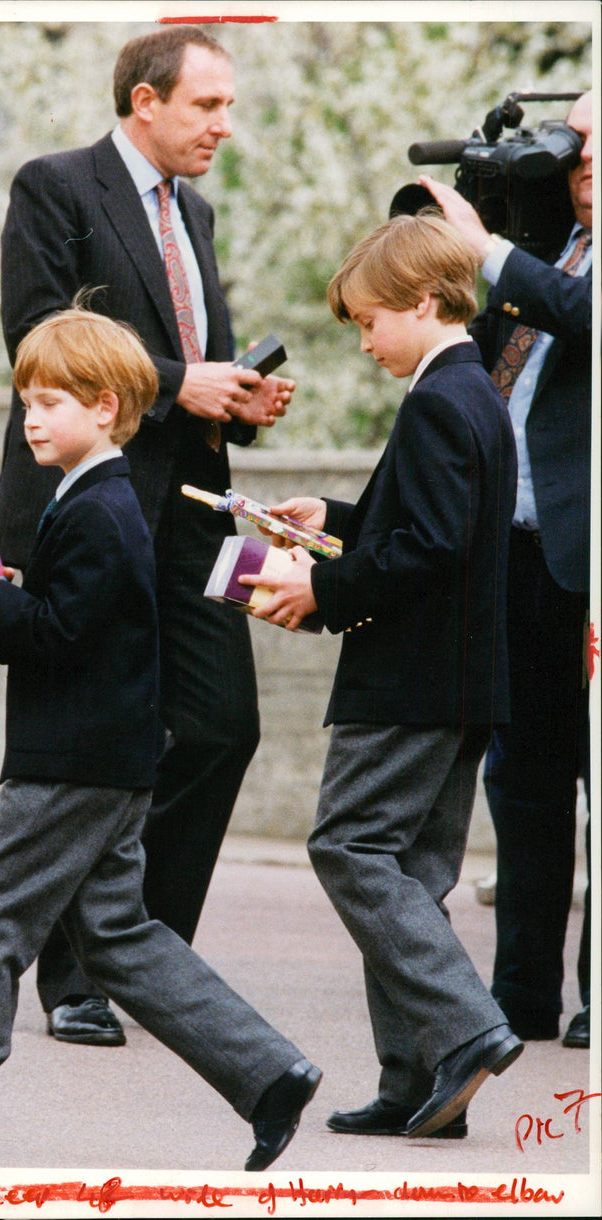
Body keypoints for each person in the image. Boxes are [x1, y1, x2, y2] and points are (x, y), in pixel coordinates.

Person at [0, 306, 321, 1171]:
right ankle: (268, 1072)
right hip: (109, 761)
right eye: (25, 401)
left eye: (52, 403)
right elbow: (75, 620)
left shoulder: (100, 507)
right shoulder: (98, 499)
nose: (31, 418)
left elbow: (60, 635)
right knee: (120, 938)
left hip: (68, 765)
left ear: (107, 408)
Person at [0, 25, 295, 1047]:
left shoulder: (195, 211)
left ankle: (140, 951)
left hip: (197, 508)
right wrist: (178, 382)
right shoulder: (54, 185)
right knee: (95, 744)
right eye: (205, 105)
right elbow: (38, 335)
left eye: (226, 106)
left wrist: (235, 397)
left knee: (222, 726)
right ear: (144, 104)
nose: (222, 124)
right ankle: (73, 973)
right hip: (92, 508)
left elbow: (188, 354)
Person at [240, 213, 522, 1139]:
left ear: (425, 303)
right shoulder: (475, 391)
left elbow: (429, 549)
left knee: (351, 849)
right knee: (411, 873)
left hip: (407, 682)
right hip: (463, 681)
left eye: (369, 322)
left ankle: (468, 1028)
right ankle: (416, 1081)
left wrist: (317, 587)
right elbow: (433, 527)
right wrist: (339, 516)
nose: (364, 342)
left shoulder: (439, 400)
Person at [420, 88, 593, 1051]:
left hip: (591, 570)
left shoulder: (558, 271)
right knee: (521, 785)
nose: (585, 162)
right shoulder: (555, 251)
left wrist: (492, 253)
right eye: (574, 148)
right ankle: (521, 998)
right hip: (521, 556)